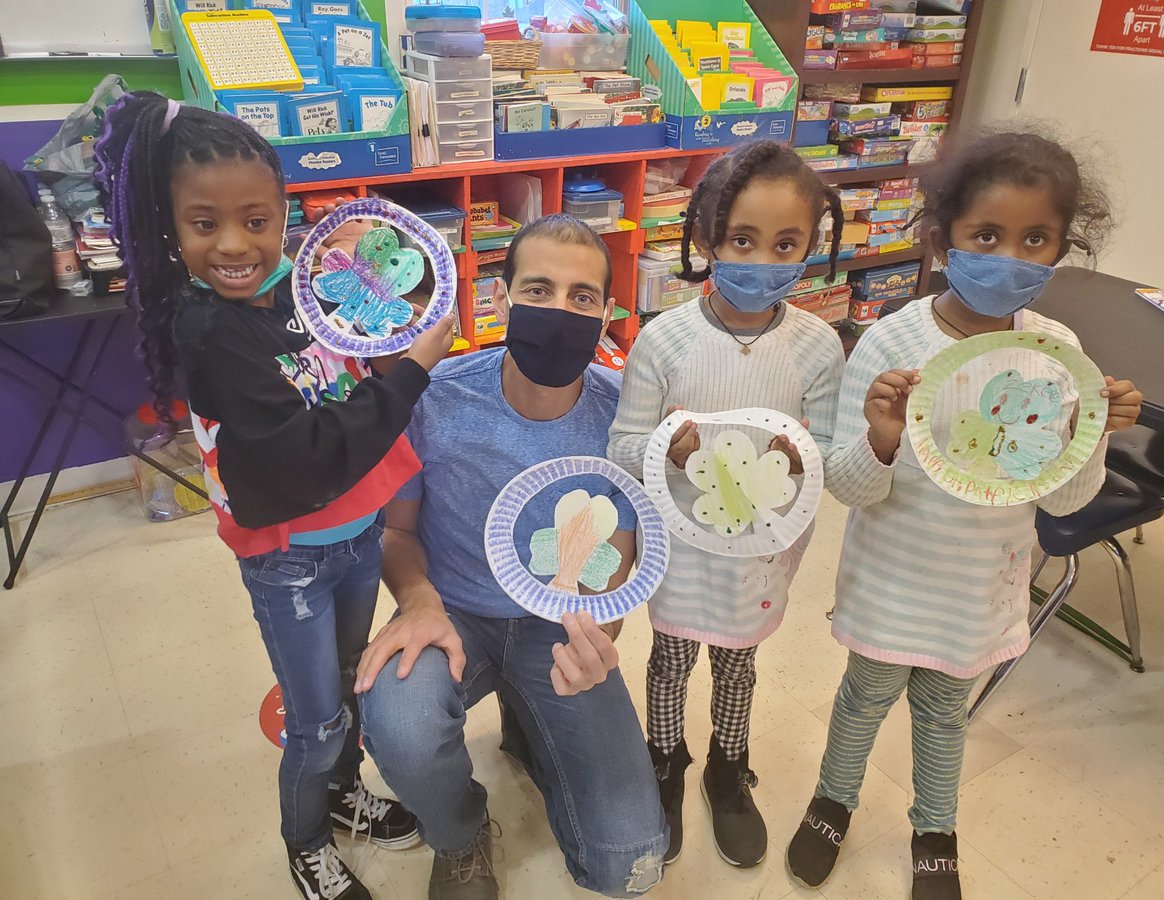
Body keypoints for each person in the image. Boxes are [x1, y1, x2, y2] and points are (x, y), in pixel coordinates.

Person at [94, 92, 454, 900]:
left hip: (360, 536)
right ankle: (305, 840)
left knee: (350, 687)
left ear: (285, 213)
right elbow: (311, 461)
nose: (233, 245)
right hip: (290, 560)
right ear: (169, 223)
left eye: (256, 221)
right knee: (315, 720)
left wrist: (383, 269)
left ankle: (343, 796)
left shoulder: (300, 281)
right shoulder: (211, 336)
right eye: (204, 223)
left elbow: (373, 314)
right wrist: (417, 372)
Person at [786, 131, 1144, 900]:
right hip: (892, 582)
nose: (1008, 256)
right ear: (942, 234)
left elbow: (1063, 503)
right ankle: (832, 801)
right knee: (864, 698)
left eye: (1035, 239)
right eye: (987, 235)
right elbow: (850, 489)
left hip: (981, 588)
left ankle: (934, 828)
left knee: (946, 713)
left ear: (1061, 248)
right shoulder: (890, 340)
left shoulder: (1059, 354)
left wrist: (1093, 439)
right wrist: (881, 437)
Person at [354, 214, 668, 900]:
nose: (560, 309)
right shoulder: (436, 397)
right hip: (454, 612)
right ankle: (461, 835)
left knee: (632, 865)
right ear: (499, 298)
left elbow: (620, 554)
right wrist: (418, 602)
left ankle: (533, 725)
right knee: (397, 719)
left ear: (607, 312)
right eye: (539, 288)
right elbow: (396, 533)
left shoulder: (625, 419)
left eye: (582, 296)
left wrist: (600, 633)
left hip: (560, 625)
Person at [607, 140, 847, 870]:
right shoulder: (665, 339)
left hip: (760, 551)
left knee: (738, 665)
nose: (764, 262)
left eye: (787, 244)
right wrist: (667, 447)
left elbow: (834, 461)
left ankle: (726, 765)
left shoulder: (817, 346)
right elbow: (622, 448)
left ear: (812, 246)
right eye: (743, 240)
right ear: (707, 238)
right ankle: (665, 762)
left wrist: (800, 455)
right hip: (679, 546)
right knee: (671, 659)